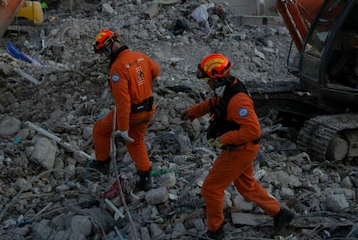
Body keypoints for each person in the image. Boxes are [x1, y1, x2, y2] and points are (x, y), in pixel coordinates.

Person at [180, 53, 295, 239]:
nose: (207, 83)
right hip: (244, 150)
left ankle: (215, 230)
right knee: (246, 186)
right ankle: (281, 214)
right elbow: (217, 103)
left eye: (208, 80)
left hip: (239, 151)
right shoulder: (230, 87)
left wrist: (223, 140)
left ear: (218, 77)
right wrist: (193, 112)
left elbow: (253, 131)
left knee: (211, 188)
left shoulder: (239, 100)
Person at [87, 29, 160, 192]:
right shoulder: (140, 56)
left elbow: (123, 101)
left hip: (132, 113)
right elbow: (156, 71)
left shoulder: (118, 68)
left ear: (108, 47)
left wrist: (123, 126)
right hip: (148, 109)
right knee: (136, 141)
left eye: (104, 52)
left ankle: (102, 163)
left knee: (100, 129)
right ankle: (145, 177)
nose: (105, 56)